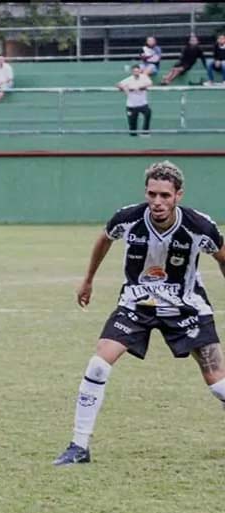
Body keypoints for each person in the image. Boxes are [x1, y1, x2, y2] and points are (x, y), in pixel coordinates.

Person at [54, 161, 225, 466]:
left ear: (178, 196)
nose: (157, 202)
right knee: (97, 366)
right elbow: (104, 239)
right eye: (152, 194)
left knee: (217, 384)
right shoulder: (128, 219)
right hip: (136, 304)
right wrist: (88, 280)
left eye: (165, 196)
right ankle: (79, 446)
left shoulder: (199, 227)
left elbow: (223, 257)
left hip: (185, 306)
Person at [118, 64, 152, 137]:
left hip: (143, 104)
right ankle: (133, 136)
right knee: (132, 126)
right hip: (131, 105)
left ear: (140, 71)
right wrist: (125, 89)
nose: (136, 72)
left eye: (137, 71)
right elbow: (118, 84)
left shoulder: (144, 77)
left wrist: (140, 87)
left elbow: (150, 83)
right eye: (134, 71)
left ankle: (145, 132)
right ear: (132, 72)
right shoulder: (129, 79)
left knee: (148, 113)